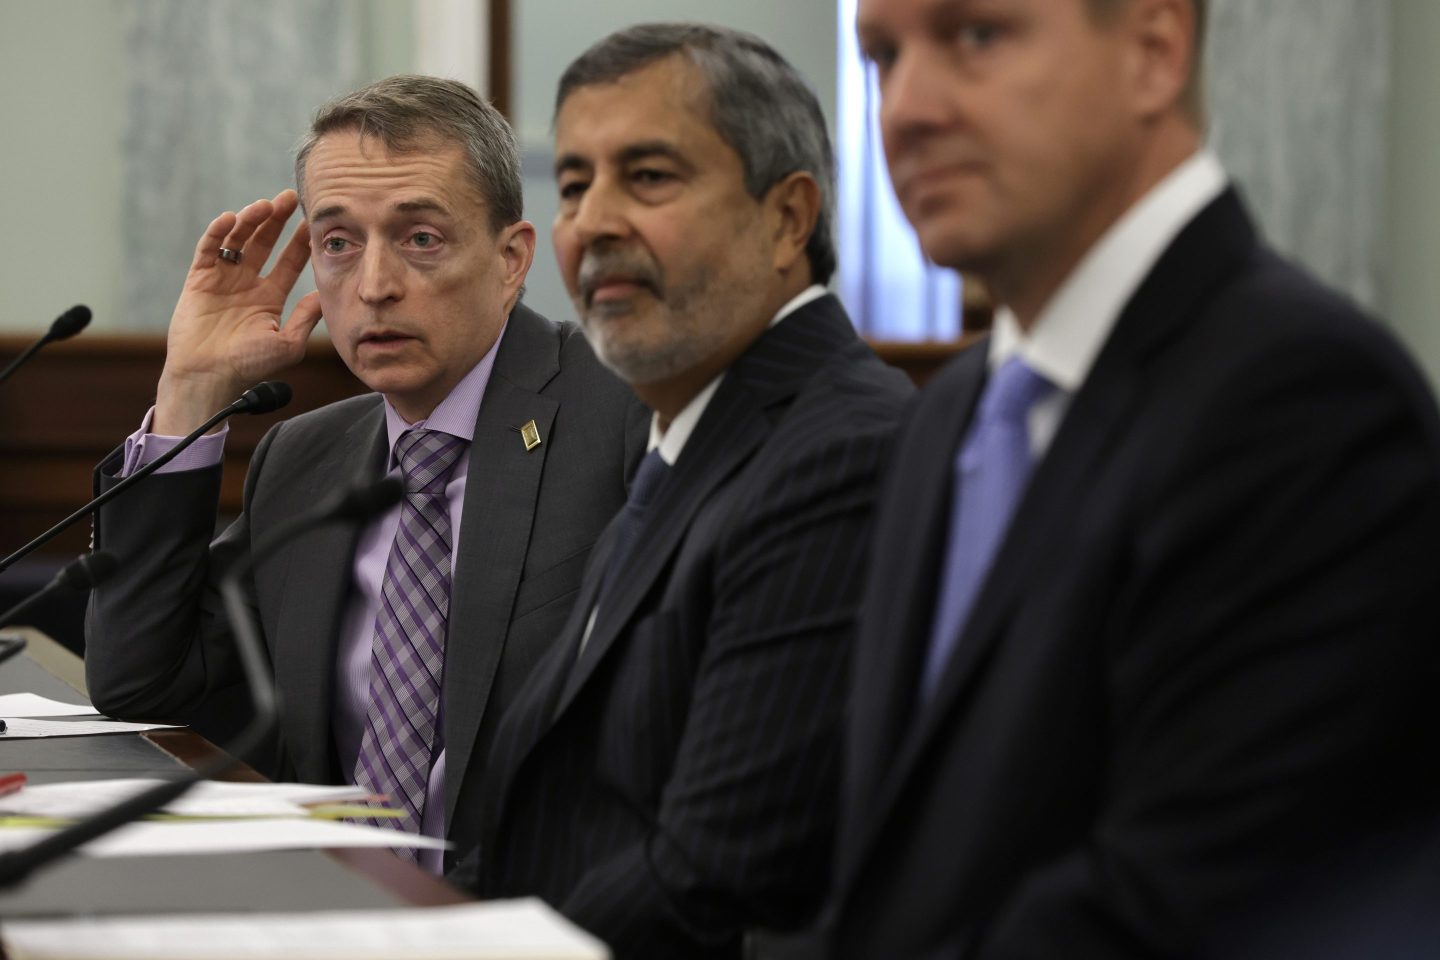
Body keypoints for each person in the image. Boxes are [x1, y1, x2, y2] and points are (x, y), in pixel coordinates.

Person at [830, 0, 1440, 956]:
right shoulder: (948, 417)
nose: (904, 107)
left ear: (1155, 53)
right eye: (881, 55)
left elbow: (1184, 904)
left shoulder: (1308, 403)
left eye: (976, 36)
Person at [84, 75, 645, 872]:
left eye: (421, 238)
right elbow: (142, 682)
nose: (375, 285)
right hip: (333, 916)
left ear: (512, 258)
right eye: (338, 244)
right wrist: (189, 389)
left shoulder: (622, 414)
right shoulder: (303, 461)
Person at [454, 24, 913, 958]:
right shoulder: (691, 432)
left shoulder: (837, 449)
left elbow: (717, 865)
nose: (593, 222)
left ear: (788, 219)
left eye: (650, 177)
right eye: (575, 184)